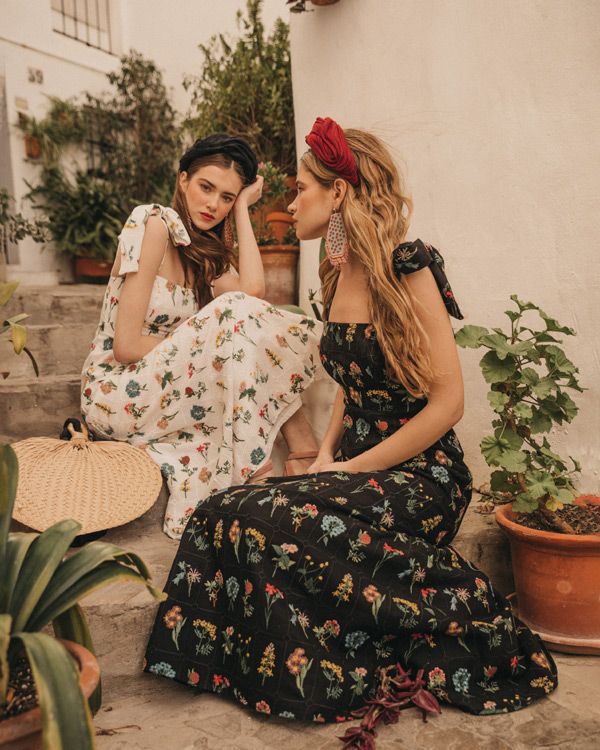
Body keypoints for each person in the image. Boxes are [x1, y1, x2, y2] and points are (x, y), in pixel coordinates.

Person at [143, 119, 557, 747]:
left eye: (301, 188)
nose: (291, 203)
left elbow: (448, 404)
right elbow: (347, 384)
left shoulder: (408, 266)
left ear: (337, 193)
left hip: (421, 476)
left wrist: (349, 468)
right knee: (220, 510)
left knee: (266, 517)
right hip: (353, 467)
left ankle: (409, 631)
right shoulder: (336, 271)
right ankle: (236, 668)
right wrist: (327, 455)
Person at [81, 134, 323, 539]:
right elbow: (125, 346)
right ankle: (291, 456)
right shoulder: (153, 225)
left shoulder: (202, 253)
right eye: (205, 187)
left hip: (168, 386)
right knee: (231, 322)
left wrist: (243, 210)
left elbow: (253, 291)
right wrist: (206, 346)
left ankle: (295, 455)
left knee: (240, 322)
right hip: (115, 391)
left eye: (226, 197)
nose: (213, 204)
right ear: (183, 180)